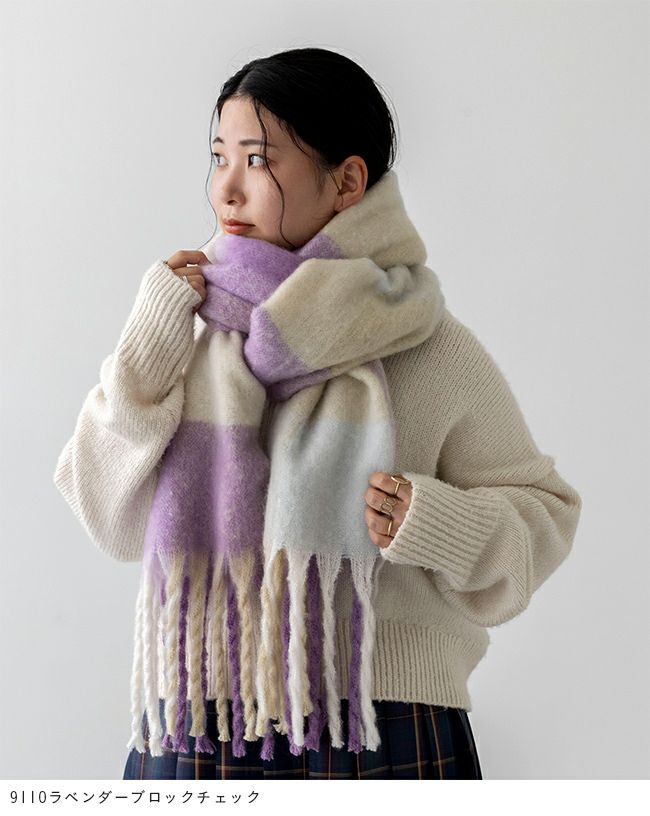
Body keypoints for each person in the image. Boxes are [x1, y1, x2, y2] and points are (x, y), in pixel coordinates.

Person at [53, 47, 582, 781]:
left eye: (258, 161)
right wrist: (145, 352)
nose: (226, 189)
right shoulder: (186, 328)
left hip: (386, 719)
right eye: (219, 157)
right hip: (202, 716)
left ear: (347, 181)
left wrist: (435, 522)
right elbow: (105, 516)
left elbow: (544, 517)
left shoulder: (428, 347)